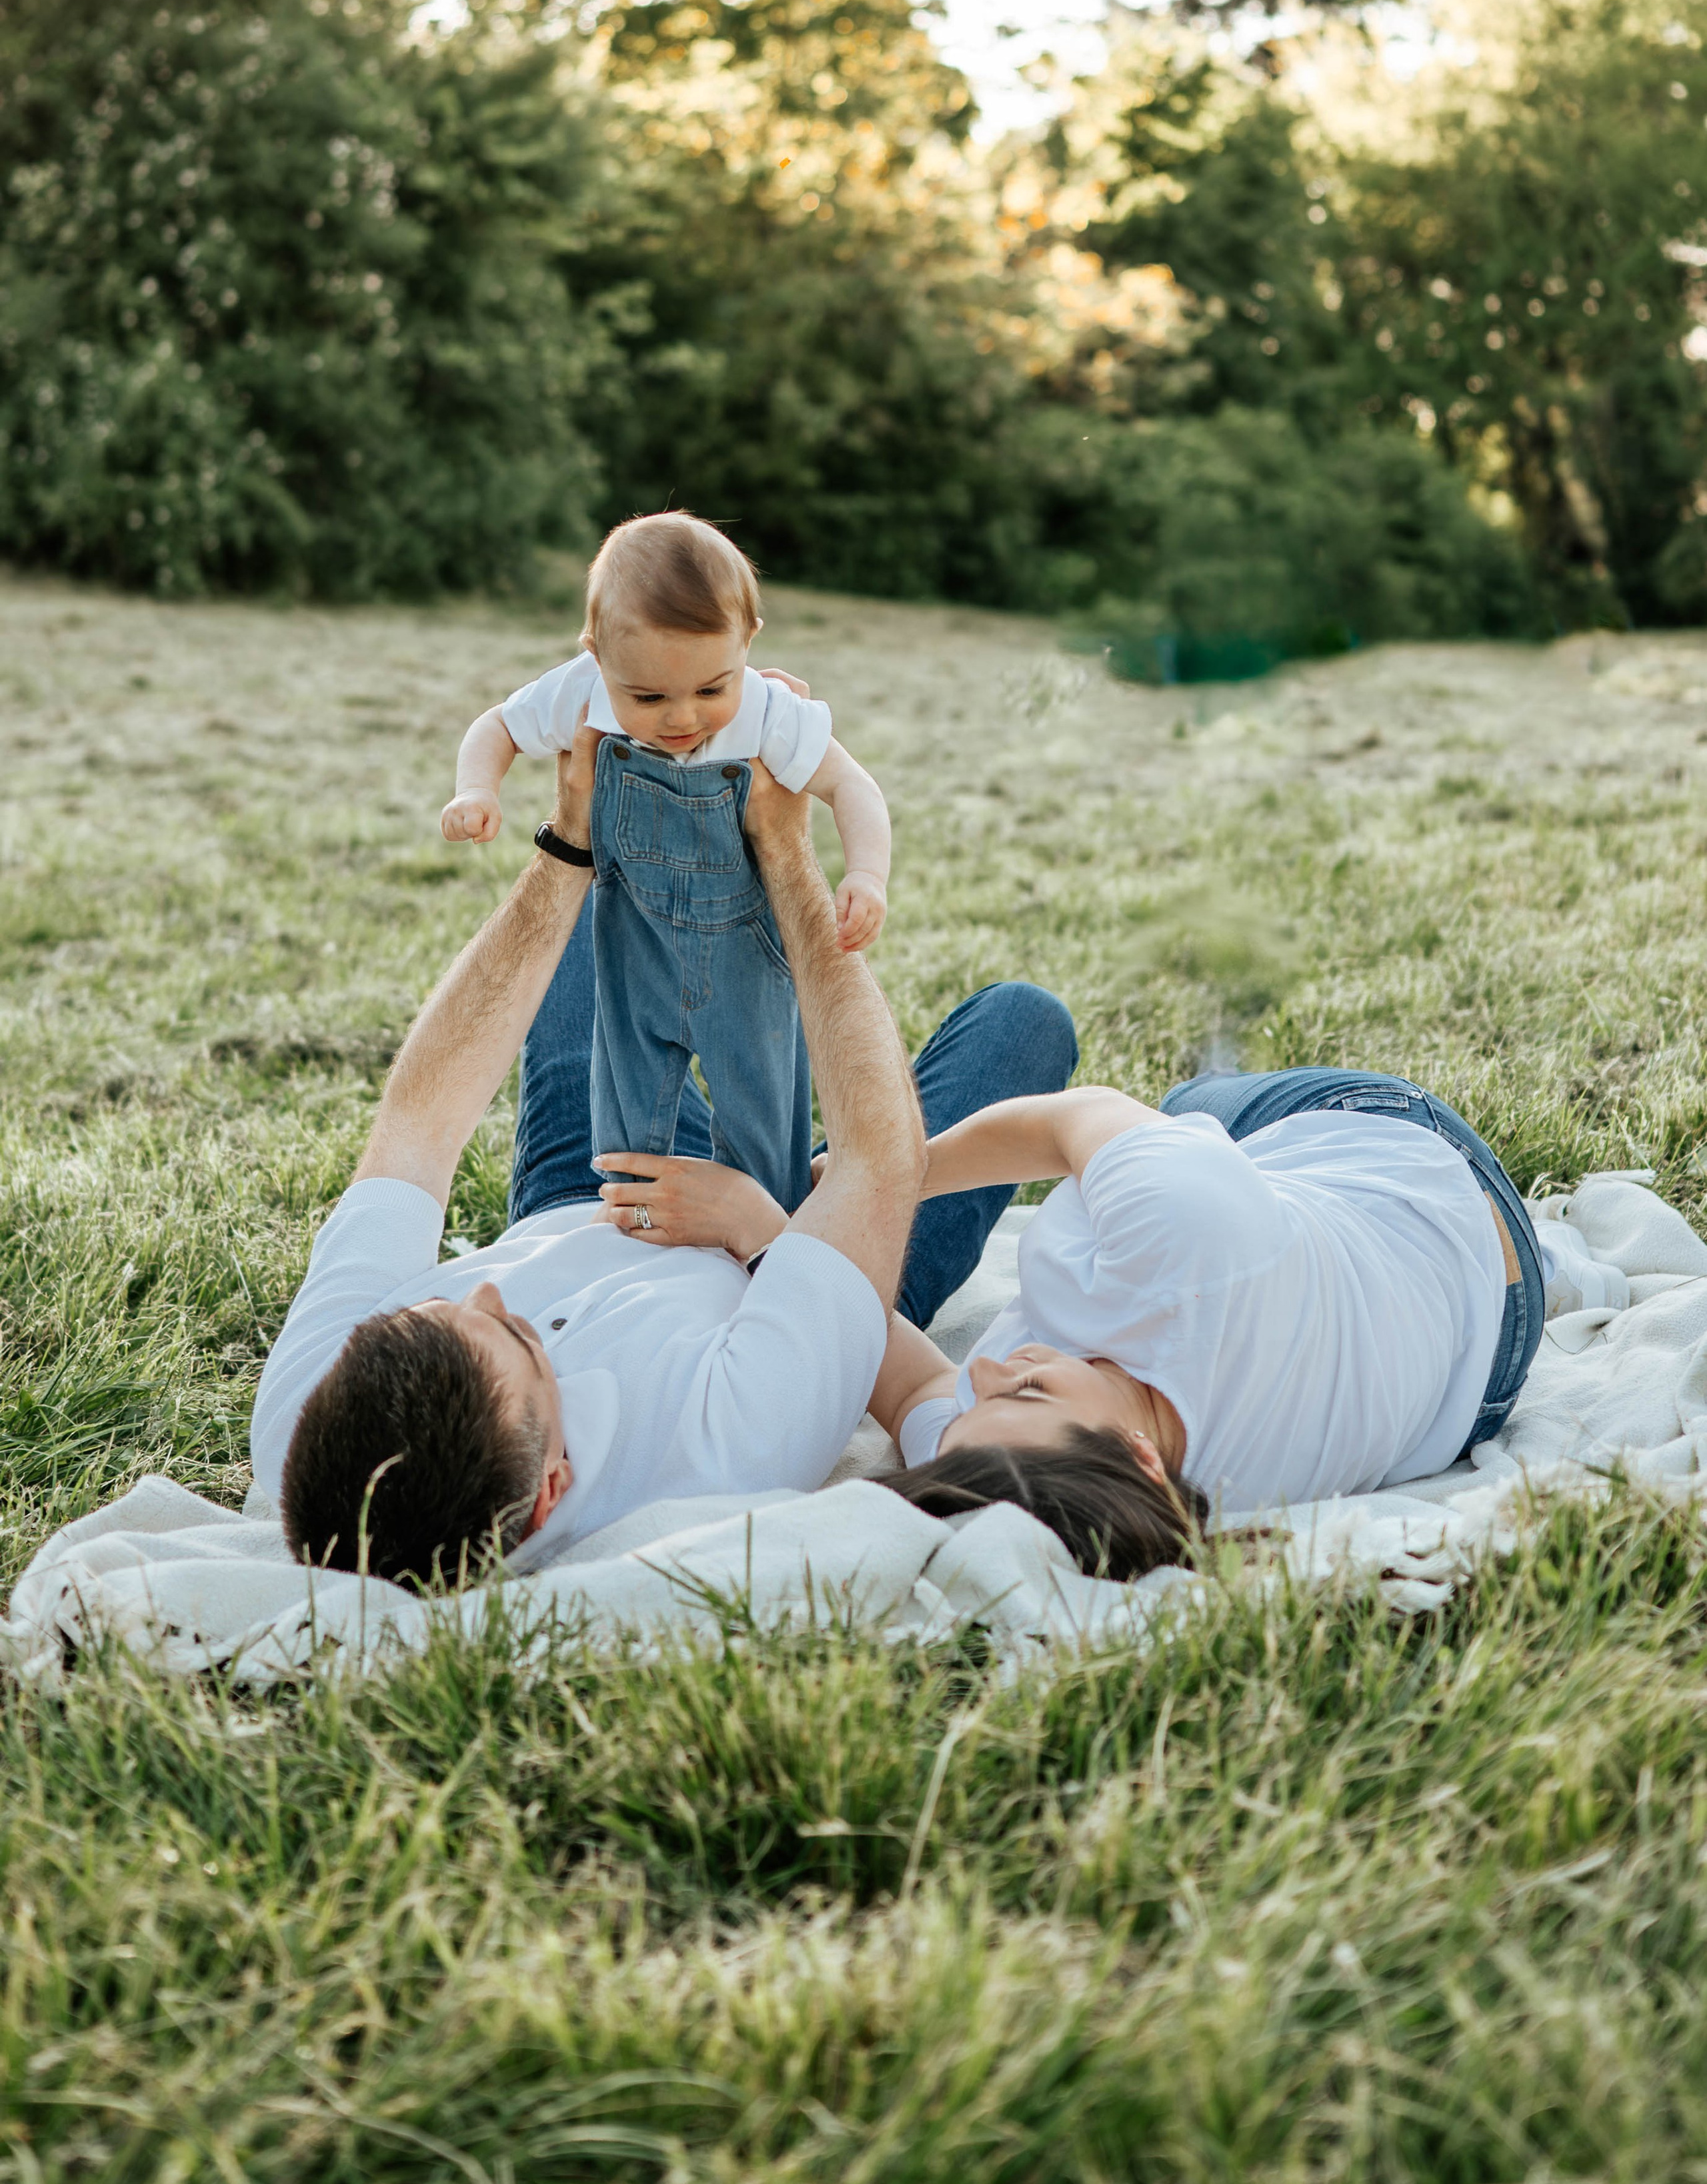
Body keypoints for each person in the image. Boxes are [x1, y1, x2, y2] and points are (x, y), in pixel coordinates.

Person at [252, 715, 1078, 1587]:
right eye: (514, 1334)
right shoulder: (729, 1447)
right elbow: (878, 1160)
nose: (485, 1285)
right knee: (1023, 1024)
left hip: (592, 1184)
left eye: (445, 1305)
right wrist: (787, 850)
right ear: (553, 1488)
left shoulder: (303, 1426)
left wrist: (567, 840)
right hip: (793, 1258)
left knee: (594, 910)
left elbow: (416, 1125)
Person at [871, 1065, 1547, 1577]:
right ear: (1143, 1457)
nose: (984, 1371)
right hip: (1428, 1181)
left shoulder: (1052, 1490)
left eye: (972, 1407)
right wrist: (886, 1181)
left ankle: (1554, 1263)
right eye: (1029, 1390)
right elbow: (1076, 1114)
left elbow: (908, 1390)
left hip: (1471, 1380)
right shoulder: (1187, 1240)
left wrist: (781, 1242)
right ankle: (1548, 1249)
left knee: (1168, 1148)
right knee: (1182, 1110)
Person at [439, 511, 891, 1212]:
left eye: (713, 688)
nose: (682, 718)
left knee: (763, 1107)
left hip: (744, 950)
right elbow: (496, 725)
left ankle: (766, 1224)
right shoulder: (583, 687)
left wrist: (865, 873)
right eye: (647, 697)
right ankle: (637, 1224)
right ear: (595, 653)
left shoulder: (768, 710)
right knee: (623, 1116)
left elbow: (851, 786)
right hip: (632, 938)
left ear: (748, 642)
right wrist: (476, 787)